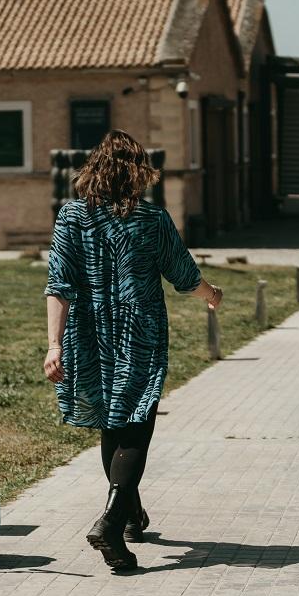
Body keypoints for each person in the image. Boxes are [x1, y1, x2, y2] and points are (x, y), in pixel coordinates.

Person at [43, 129, 223, 572]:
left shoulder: (69, 217)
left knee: (112, 422)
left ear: (94, 171)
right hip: (137, 333)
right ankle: (111, 522)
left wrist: (52, 345)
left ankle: (129, 519)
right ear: (138, 173)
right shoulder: (151, 220)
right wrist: (211, 294)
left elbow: (58, 286)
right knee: (135, 427)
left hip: (85, 333)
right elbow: (183, 274)